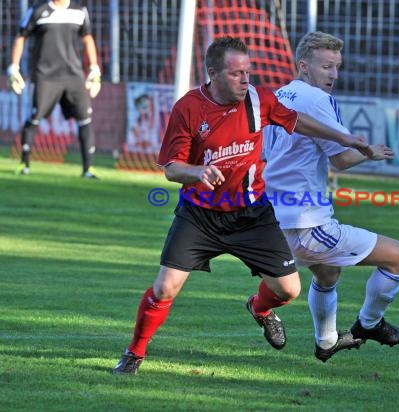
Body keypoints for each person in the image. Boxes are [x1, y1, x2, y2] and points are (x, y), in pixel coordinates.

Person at [112, 36, 373, 375]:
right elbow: (171, 168)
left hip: (251, 213)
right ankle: (134, 353)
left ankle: (260, 309)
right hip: (199, 216)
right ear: (213, 73)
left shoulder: (258, 99)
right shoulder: (188, 108)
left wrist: (344, 138)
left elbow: (295, 120)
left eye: (248, 72)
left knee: (288, 289)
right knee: (165, 288)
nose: (245, 80)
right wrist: (197, 171)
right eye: (236, 74)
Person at [262, 32, 399, 363]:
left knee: (327, 275)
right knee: (398, 257)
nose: (333, 75)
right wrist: (369, 153)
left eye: (337, 67)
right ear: (303, 66)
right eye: (326, 66)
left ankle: (327, 341)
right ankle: (370, 324)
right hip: (308, 222)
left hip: (275, 217)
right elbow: (340, 159)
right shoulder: (317, 100)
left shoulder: (278, 95)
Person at [7, 0, 102, 178]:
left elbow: (87, 38)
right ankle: (24, 164)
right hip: (46, 75)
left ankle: (88, 169)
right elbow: (21, 36)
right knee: (35, 117)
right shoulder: (38, 9)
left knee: (85, 119)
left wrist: (94, 68)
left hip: (73, 75)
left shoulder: (79, 11)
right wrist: (13, 67)